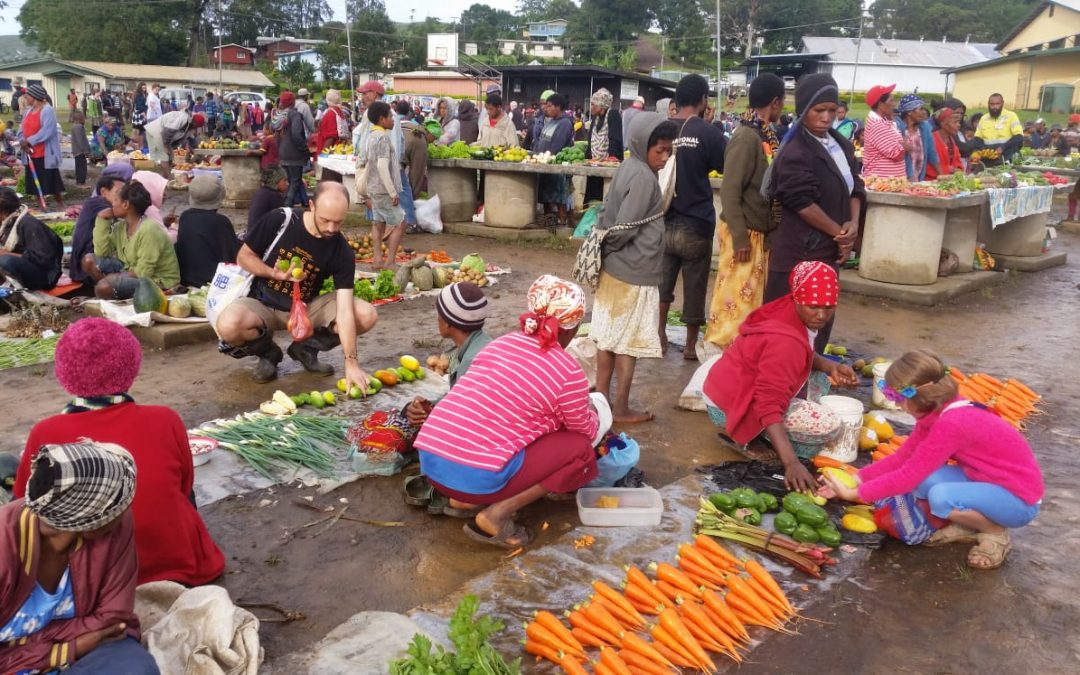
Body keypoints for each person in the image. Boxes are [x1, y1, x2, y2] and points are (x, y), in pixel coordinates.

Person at [14, 318, 227, 585]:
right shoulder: (165, 419)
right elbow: (184, 487)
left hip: (95, 582)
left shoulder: (45, 433)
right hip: (182, 567)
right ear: (133, 366)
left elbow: (25, 506)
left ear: (63, 372)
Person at [414, 275, 600, 549]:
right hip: (472, 477)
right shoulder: (568, 370)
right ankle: (495, 515)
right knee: (579, 447)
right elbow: (585, 430)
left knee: (509, 428)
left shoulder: (501, 344)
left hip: (432, 464)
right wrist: (593, 410)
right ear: (571, 329)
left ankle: (462, 501)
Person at [821, 349, 1044, 570]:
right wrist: (856, 479)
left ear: (919, 395)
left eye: (897, 398)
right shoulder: (937, 412)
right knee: (927, 481)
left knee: (939, 497)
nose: (897, 405)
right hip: (990, 480)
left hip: (1020, 500)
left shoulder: (951, 424)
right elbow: (903, 458)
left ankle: (995, 534)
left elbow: (907, 477)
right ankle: (968, 525)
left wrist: (853, 494)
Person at [0, 441, 161, 674]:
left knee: (134, 667)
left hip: (92, 651)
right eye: (121, 506)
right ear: (91, 525)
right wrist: (67, 649)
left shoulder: (116, 527)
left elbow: (113, 618)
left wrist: (61, 646)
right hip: (13, 663)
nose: (126, 510)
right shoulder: (5, 547)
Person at [704, 261, 858, 490]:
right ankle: (754, 436)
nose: (821, 315)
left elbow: (804, 354)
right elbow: (767, 403)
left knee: (820, 382)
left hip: (724, 386)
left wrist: (829, 366)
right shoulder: (785, 342)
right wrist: (792, 463)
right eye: (813, 306)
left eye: (829, 307)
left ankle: (767, 434)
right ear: (797, 298)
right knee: (828, 425)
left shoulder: (788, 308)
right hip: (729, 404)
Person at [215, 182, 378, 384]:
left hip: (306, 307)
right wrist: (272, 273)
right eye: (325, 220)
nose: (331, 228)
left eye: (338, 222)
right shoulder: (281, 220)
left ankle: (306, 348)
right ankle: (268, 354)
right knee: (229, 325)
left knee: (366, 315)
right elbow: (244, 256)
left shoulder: (341, 249)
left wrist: (351, 362)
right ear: (312, 205)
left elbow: (344, 308)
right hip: (263, 302)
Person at [764, 73, 864, 354]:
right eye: (819, 110)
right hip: (801, 252)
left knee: (819, 324)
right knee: (786, 328)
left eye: (832, 111)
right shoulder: (795, 151)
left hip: (830, 250)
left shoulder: (841, 145)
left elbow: (856, 187)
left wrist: (852, 225)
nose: (826, 117)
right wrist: (839, 234)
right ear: (803, 110)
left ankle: (808, 384)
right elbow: (800, 201)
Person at [593, 113, 676, 424]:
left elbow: (609, 213)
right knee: (626, 344)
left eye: (669, 151)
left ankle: (601, 399)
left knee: (607, 338)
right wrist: (612, 247)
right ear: (644, 146)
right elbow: (626, 227)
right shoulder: (643, 177)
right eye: (660, 151)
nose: (665, 158)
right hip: (633, 270)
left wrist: (606, 251)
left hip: (616, 269)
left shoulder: (630, 165)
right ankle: (620, 407)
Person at [706, 73, 785, 351]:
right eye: (782, 102)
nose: (783, 108)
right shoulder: (746, 138)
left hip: (757, 232)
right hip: (744, 233)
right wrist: (739, 237)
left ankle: (739, 352)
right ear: (775, 103)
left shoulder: (765, 135)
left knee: (749, 302)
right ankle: (721, 351)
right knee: (733, 301)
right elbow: (730, 190)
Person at [659, 74, 728, 360]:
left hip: (662, 220)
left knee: (662, 284)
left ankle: (659, 336)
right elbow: (725, 165)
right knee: (695, 285)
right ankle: (689, 345)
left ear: (676, 100)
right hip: (696, 222)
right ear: (703, 100)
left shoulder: (661, 128)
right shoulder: (708, 132)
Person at [404, 282, 493, 441]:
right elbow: (460, 399)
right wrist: (431, 406)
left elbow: (463, 420)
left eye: (439, 314)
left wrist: (430, 417)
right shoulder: (484, 344)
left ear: (447, 322)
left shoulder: (472, 362)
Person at [85, 180, 180, 299]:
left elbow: (143, 273)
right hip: (131, 269)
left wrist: (115, 277)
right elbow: (102, 252)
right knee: (89, 261)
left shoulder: (149, 230)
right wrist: (102, 220)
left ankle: (112, 292)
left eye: (115, 200)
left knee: (103, 287)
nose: (112, 204)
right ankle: (113, 292)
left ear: (125, 204)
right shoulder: (121, 227)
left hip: (159, 282)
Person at [359, 101, 405, 270]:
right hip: (383, 189)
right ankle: (390, 261)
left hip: (373, 188)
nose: (393, 119)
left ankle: (377, 259)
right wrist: (393, 192)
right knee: (400, 222)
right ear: (382, 119)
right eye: (390, 116)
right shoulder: (383, 138)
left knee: (378, 223)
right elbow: (382, 166)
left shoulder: (371, 136)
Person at [70, 167, 131, 285]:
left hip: (84, 262)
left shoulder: (95, 202)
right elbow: (123, 213)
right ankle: (109, 286)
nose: (124, 197)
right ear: (103, 192)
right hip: (86, 265)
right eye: (119, 192)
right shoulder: (98, 203)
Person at [175, 175, 240, 288]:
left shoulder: (185, 217)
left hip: (186, 278)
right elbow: (231, 257)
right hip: (212, 282)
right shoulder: (221, 222)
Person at [0, 187, 63, 290]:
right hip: (23, 269)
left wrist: (6, 254)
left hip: (44, 276)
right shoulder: (6, 223)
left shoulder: (29, 224)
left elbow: (44, 260)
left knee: (5, 260)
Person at [17, 84, 65, 208]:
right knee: (35, 180)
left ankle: (60, 204)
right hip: (30, 152)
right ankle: (42, 206)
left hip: (44, 152)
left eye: (28, 96)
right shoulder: (28, 111)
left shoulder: (47, 110)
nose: (26, 98)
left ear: (35, 97)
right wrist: (23, 141)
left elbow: (47, 131)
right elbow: (21, 129)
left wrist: (29, 141)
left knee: (52, 181)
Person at [533, 93, 575, 228]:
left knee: (559, 196)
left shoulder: (565, 123)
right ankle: (548, 219)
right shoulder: (550, 121)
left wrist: (546, 157)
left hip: (557, 167)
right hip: (545, 165)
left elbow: (557, 145)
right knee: (546, 196)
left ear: (559, 107)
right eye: (546, 105)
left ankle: (563, 221)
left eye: (550, 106)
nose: (547, 108)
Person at [583, 88, 624, 204]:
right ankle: (590, 217)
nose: (591, 107)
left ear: (601, 105)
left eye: (593, 104)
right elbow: (591, 139)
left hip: (609, 162)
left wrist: (612, 157)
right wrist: (587, 158)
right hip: (595, 162)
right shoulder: (595, 118)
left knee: (606, 194)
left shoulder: (613, 115)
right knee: (592, 192)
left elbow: (615, 137)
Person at [861, 83, 906, 178]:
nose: (894, 104)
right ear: (881, 104)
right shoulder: (877, 125)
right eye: (891, 100)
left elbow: (899, 144)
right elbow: (897, 153)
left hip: (890, 181)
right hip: (882, 182)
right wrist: (905, 146)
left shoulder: (884, 121)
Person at [277, 91, 309, 208]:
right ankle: (287, 204)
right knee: (295, 181)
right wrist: (304, 149)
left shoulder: (280, 115)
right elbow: (296, 135)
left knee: (287, 181)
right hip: (294, 153)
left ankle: (284, 203)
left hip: (283, 152)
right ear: (293, 102)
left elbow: (276, 134)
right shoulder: (294, 115)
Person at [897, 94, 941, 181]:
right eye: (920, 109)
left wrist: (941, 175)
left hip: (918, 178)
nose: (924, 112)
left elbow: (932, 153)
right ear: (909, 111)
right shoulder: (897, 127)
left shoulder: (925, 127)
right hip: (899, 178)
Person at [397, 101, 433, 201]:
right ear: (409, 111)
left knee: (397, 172)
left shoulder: (392, 120)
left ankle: (400, 199)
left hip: (401, 138)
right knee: (416, 175)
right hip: (419, 139)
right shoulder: (415, 122)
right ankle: (412, 199)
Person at [974, 93, 1024, 163]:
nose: (995, 107)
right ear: (988, 104)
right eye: (992, 104)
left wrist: (1002, 147)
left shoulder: (1011, 116)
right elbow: (977, 138)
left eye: (997, 104)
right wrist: (984, 151)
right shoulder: (984, 118)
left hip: (1007, 157)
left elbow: (1019, 137)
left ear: (1002, 103)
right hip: (988, 159)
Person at [926, 108, 965, 179]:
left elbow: (957, 161)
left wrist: (958, 170)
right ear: (943, 124)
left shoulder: (951, 140)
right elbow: (927, 166)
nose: (958, 125)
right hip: (931, 181)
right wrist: (950, 169)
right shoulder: (932, 139)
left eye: (959, 122)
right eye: (955, 122)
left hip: (950, 180)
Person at [248, 165, 288, 231]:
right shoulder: (274, 196)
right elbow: (284, 220)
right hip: (262, 238)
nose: (287, 183)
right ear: (276, 181)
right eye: (285, 180)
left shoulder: (261, 192)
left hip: (252, 235)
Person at [315, 89, 349, 155]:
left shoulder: (331, 113)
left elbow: (330, 137)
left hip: (329, 152)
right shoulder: (338, 111)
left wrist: (323, 154)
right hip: (337, 149)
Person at [70, 110, 91, 186]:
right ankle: (81, 181)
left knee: (79, 166)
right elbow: (80, 140)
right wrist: (85, 150)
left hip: (77, 150)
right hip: (80, 151)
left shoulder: (75, 127)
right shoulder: (78, 127)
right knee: (82, 167)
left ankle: (80, 181)